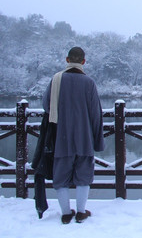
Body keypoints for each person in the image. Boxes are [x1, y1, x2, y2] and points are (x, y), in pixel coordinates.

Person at [42, 46, 104, 224]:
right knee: (83, 174)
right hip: (84, 136)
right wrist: (97, 140)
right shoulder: (89, 83)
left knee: (60, 175)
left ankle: (65, 212)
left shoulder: (56, 80)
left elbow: (47, 106)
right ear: (84, 62)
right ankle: (81, 211)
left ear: (67, 60)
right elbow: (95, 114)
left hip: (61, 135)